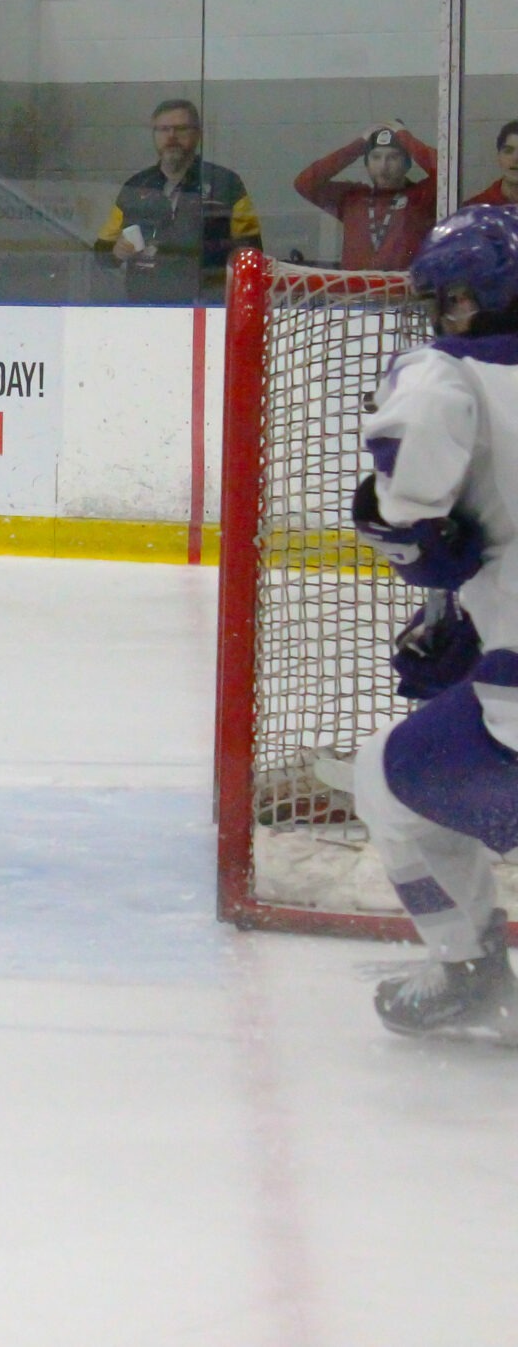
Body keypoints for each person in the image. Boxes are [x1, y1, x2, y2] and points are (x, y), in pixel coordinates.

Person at [340, 203, 518, 1038]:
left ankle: (470, 969)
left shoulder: (448, 376)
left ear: (468, 303)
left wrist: (433, 576)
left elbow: (403, 511)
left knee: (385, 776)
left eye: (445, 298)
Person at [96, 99, 259, 304]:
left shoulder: (226, 184)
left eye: (181, 129)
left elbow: (252, 254)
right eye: (163, 129)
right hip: (143, 309)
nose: (171, 137)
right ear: (154, 135)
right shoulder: (135, 187)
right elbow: (101, 252)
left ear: (198, 134)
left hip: (208, 308)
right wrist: (116, 252)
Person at [294, 123, 437, 272]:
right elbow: (304, 183)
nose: (383, 166)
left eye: (393, 157)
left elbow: (448, 171)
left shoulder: (421, 197)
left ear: (407, 164)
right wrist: (358, 146)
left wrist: (406, 138)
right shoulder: (353, 199)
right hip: (354, 293)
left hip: (405, 292)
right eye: (376, 157)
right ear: (367, 164)